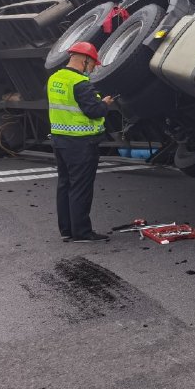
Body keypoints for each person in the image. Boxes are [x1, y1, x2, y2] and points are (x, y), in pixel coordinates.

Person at [47, 41, 115, 243]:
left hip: (60, 140)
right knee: (80, 188)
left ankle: (67, 230)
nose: (94, 68)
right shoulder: (80, 83)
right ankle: (82, 233)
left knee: (65, 185)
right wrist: (104, 104)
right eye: (93, 64)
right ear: (85, 60)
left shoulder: (55, 78)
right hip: (81, 144)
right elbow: (93, 111)